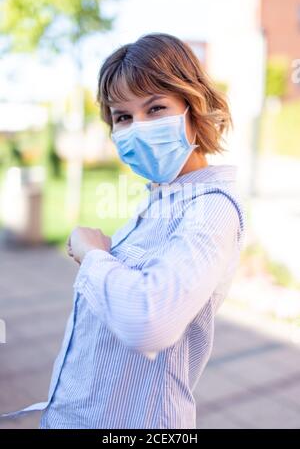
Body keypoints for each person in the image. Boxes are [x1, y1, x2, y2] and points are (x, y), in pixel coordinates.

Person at [1, 32, 245, 429]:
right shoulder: (163, 199)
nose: (139, 127)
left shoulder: (211, 207)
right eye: (123, 116)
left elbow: (150, 322)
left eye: (156, 108)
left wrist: (92, 255)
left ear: (194, 106)